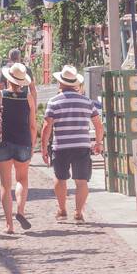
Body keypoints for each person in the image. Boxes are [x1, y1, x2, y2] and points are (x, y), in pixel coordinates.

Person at [40, 65, 104, 224]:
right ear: (75, 83)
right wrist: (98, 143)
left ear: (60, 83)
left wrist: (43, 149)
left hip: (61, 146)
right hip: (82, 146)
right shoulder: (87, 101)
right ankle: (78, 212)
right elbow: (98, 124)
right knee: (81, 181)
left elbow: (47, 126)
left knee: (60, 178)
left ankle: (62, 211)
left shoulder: (53, 101)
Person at [0, 61, 37, 234]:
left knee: (5, 185)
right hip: (23, 142)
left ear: (8, 79)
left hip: (3, 142)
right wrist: (33, 143)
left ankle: (9, 225)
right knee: (22, 179)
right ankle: (20, 211)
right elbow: (32, 125)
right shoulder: (28, 97)